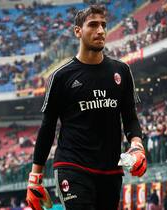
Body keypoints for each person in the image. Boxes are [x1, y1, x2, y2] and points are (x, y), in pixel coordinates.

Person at [26, 4, 147, 210]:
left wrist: (137, 145)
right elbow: (47, 127)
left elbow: (130, 117)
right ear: (78, 31)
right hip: (73, 167)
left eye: (103, 25)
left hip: (111, 170)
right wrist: (35, 177)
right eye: (93, 25)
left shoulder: (122, 71)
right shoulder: (61, 76)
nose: (100, 30)